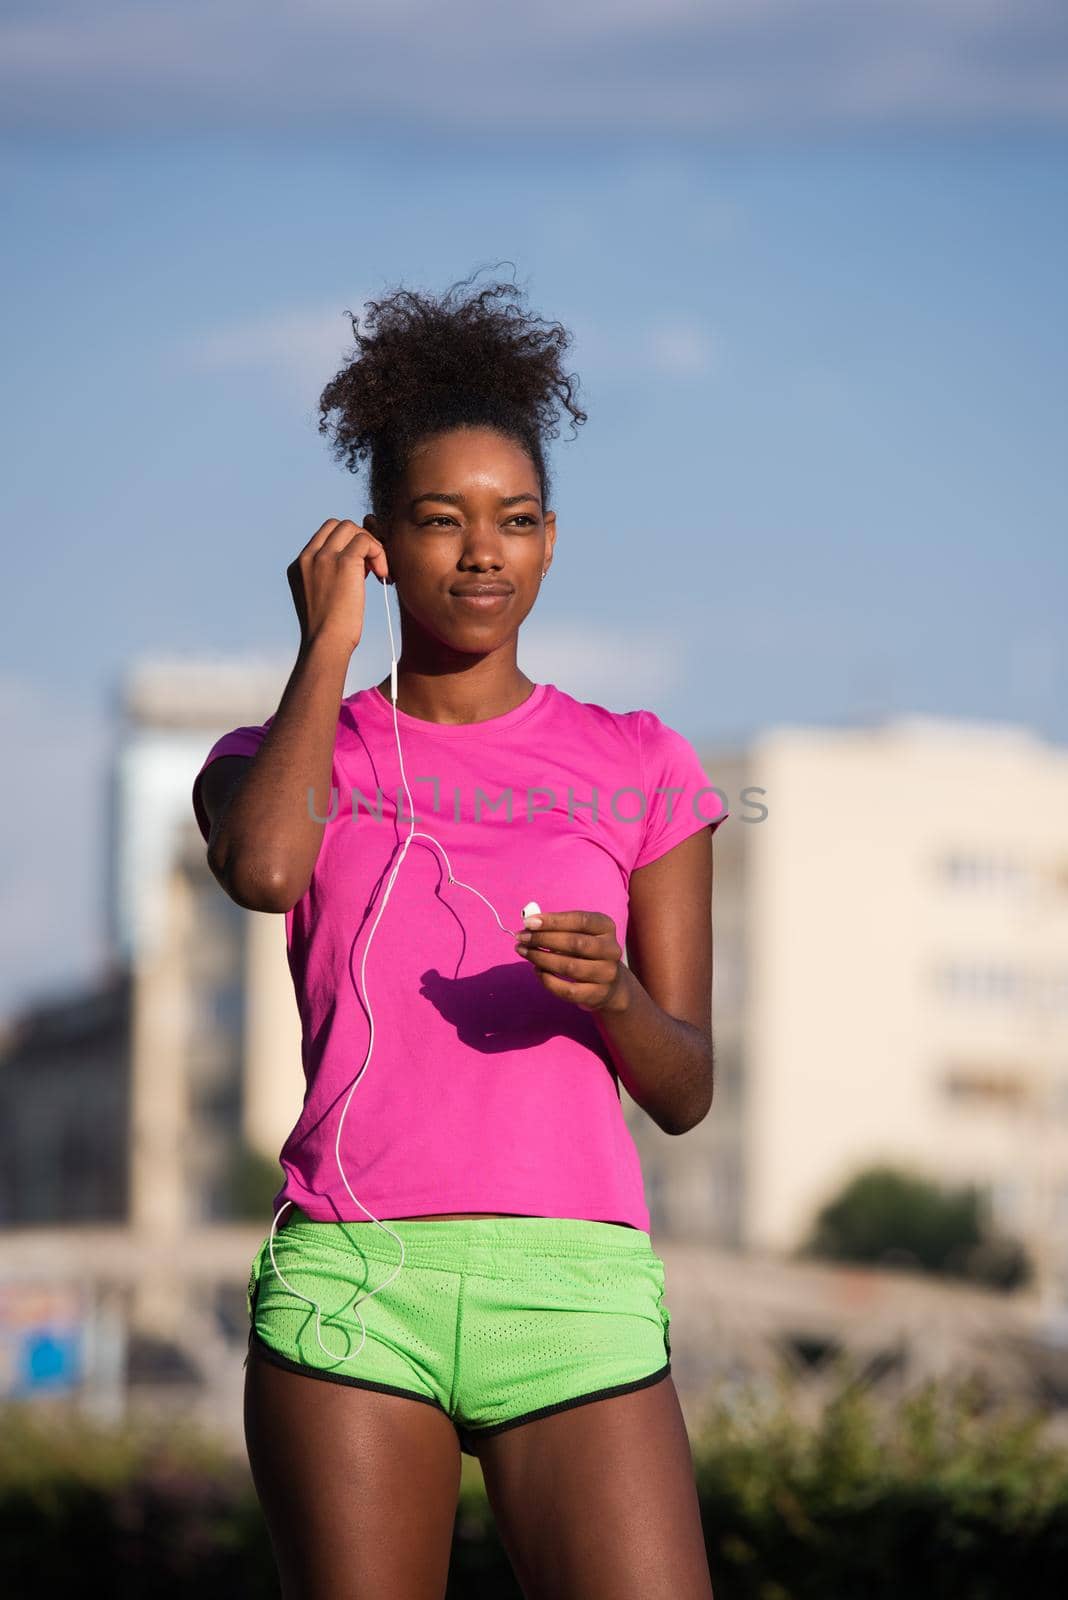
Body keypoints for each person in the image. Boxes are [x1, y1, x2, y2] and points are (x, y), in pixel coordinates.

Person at [192, 268, 726, 1599]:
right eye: (440, 521)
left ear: (551, 539)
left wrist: (614, 1001)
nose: (483, 553)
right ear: (375, 539)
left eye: (517, 520)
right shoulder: (272, 758)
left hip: (576, 1284)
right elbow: (262, 871)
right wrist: (327, 644)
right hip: (353, 1284)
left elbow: (688, 1089)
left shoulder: (640, 763)